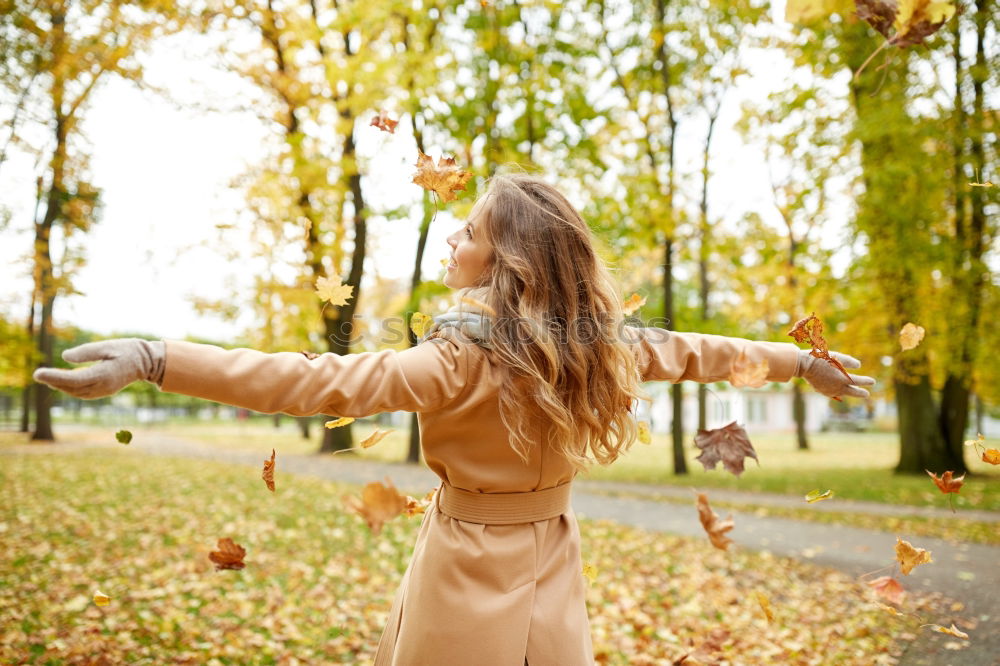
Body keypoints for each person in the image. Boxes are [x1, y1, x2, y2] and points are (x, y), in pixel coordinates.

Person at [34, 174, 874, 665]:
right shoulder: (594, 345)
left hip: (468, 567)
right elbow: (696, 350)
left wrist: (154, 357)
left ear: (501, 263)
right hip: (550, 555)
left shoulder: (459, 359)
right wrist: (803, 362)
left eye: (467, 231)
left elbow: (309, 381)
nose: (451, 240)